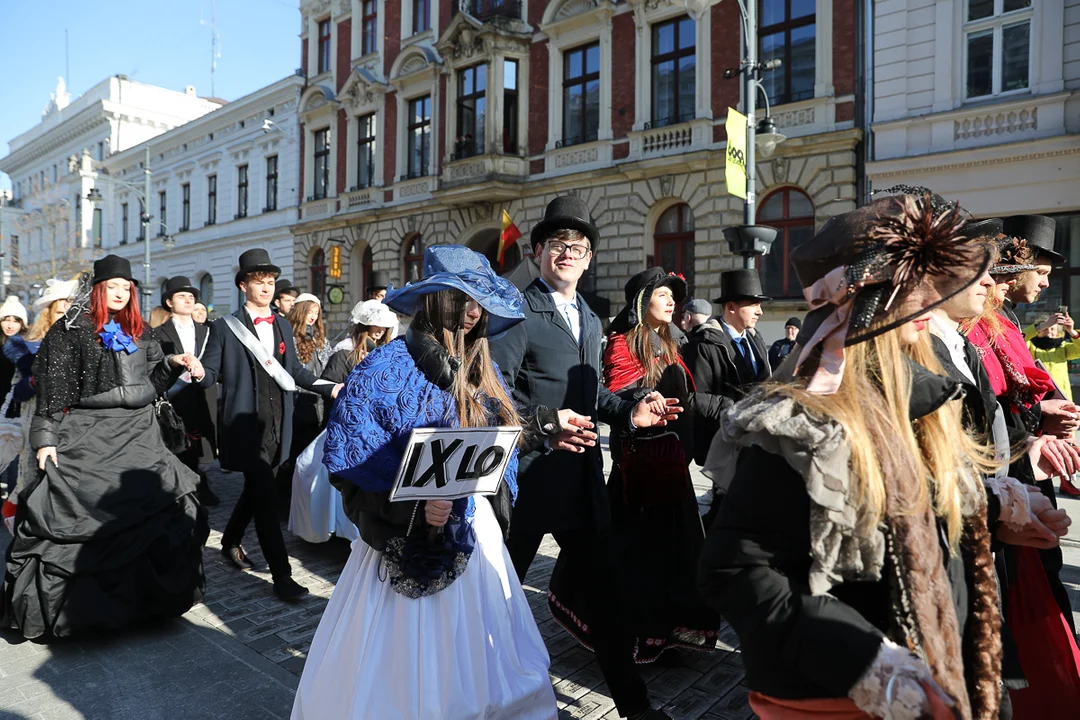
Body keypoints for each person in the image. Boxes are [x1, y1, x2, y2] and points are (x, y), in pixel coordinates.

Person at [699, 195, 1005, 719]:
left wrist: (1000, 506)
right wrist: (867, 664)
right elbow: (737, 570)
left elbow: (918, 516)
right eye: (914, 286)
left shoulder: (927, 399)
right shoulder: (806, 425)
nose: (931, 301)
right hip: (846, 701)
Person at [293, 246, 557, 719]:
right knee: (403, 679)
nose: (474, 310)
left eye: (480, 299)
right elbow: (352, 467)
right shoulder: (381, 370)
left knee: (486, 665)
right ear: (435, 299)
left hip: (478, 542)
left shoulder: (484, 369)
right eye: (463, 296)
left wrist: (546, 426)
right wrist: (414, 510)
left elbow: (496, 447)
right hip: (405, 546)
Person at [491, 195, 683, 720]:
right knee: (499, 598)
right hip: (528, 481)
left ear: (590, 257)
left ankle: (634, 706)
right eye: (558, 245)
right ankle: (481, 696)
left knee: (607, 596)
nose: (568, 254)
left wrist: (630, 411)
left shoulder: (592, 315)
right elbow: (495, 393)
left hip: (581, 479)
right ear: (537, 252)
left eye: (578, 247)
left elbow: (595, 395)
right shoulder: (514, 311)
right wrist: (544, 428)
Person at [2, 255, 209, 639]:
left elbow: (152, 383)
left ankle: (145, 610)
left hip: (141, 436)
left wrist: (175, 363)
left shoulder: (142, 330)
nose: (119, 293)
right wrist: (45, 440)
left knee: (157, 517)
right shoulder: (71, 329)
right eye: (111, 286)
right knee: (83, 522)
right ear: (97, 289)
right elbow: (52, 391)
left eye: (125, 287)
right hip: (88, 437)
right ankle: (87, 617)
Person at [551, 267, 718, 667]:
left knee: (673, 552)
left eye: (673, 296)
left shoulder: (671, 343)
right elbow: (613, 394)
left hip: (672, 465)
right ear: (643, 301)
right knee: (636, 554)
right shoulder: (622, 343)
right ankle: (635, 636)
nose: (671, 301)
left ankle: (670, 634)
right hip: (638, 469)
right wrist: (645, 397)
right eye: (662, 294)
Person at [197, 249, 340, 601]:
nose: (266, 288)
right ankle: (282, 576)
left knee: (258, 488)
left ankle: (230, 539)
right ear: (243, 285)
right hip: (246, 426)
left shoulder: (281, 325)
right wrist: (198, 371)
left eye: (271, 282)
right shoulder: (224, 328)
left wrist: (332, 386)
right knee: (265, 496)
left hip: (280, 424)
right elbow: (209, 374)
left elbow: (296, 372)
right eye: (259, 282)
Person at [288, 299, 397, 544]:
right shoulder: (344, 353)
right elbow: (331, 390)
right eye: (373, 325)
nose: (379, 330)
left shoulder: (391, 352)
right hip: (349, 427)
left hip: (382, 428)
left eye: (382, 326)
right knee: (310, 469)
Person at [684, 269, 771, 527]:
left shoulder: (755, 339)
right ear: (731, 306)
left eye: (760, 305)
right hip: (724, 444)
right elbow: (692, 398)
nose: (759, 311)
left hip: (754, 441)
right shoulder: (704, 344)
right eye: (753, 305)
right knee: (726, 512)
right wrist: (733, 407)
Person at [0, 279, 77, 533]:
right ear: (48, 315)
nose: (66, 317)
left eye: (72, 311)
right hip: (37, 429)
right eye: (60, 311)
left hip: (77, 432)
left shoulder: (85, 346)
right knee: (34, 491)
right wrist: (35, 380)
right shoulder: (27, 348)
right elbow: (18, 393)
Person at [154, 276, 219, 506]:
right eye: (182, 296)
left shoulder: (208, 331)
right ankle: (184, 491)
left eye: (191, 296)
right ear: (169, 302)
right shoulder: (158, 333)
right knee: (181, 447)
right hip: (176, 398)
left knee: (206, 448)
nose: (188, 300)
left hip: (205, 394)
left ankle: (203, 482)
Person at [0, 296, 27, 503]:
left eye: (16, 320)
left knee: (13, 463)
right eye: (6, 319)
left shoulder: (27, 348)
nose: (10, 324)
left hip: (15, 411)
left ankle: (10, 508)